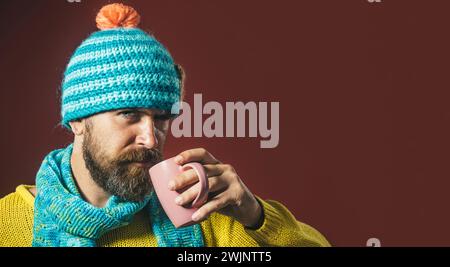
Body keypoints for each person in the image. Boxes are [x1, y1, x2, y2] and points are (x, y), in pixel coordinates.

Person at [0, 3, 330, 247]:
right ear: (78, 121)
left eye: (161, 118)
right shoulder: (8, 224)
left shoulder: (201, 215)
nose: (150, 138)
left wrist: (256, 216)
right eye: (129, 114)